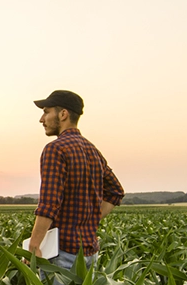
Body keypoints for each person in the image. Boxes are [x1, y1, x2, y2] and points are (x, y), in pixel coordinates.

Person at [28, 90, 124, 272]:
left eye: (47, 112)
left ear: (63, 114)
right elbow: (116, 191)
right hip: (90, 254)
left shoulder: (55, 149)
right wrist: (91, 220)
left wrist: (34, 245)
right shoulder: (92, 150)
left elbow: (49, 203)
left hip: (61, 254)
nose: (42, 119)